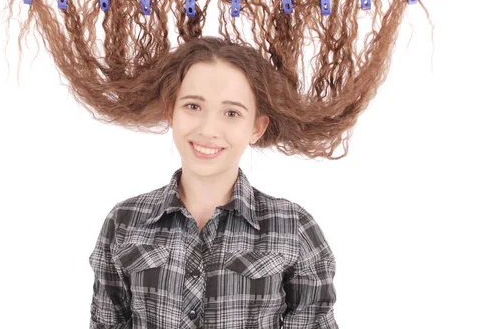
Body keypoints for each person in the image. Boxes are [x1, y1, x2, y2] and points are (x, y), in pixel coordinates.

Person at [88, 37, 339, 329]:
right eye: (193, 106)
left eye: (231, 113)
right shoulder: (124, 221)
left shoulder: (294, 227)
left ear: (257, 127)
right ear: (171, 112)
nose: (208, 129)